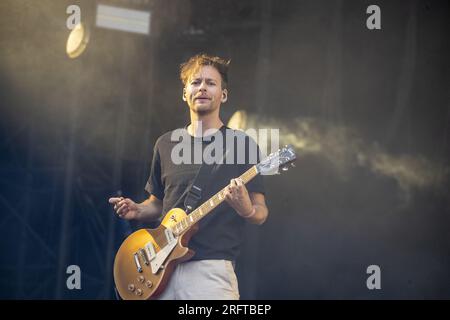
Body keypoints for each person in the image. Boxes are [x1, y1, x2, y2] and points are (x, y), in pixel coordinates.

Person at [108, 53, 268, 300]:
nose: (202, 87)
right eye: (195, 82)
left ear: (223, 95)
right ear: (185, 93)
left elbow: (261, 212)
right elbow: (158, 204)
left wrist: (246, 209)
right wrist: (138, 210)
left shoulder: (241, 145)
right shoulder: (166, 143)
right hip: (160, 270)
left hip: (210, 273)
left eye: (211, 83)